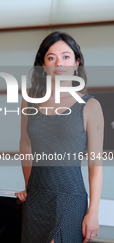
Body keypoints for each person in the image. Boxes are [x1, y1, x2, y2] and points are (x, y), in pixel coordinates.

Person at [15, 32, 103, 243]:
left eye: (66, 56)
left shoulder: (90, 106)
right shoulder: (29, 102)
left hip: (70, 199)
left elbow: (95, 166)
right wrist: (29, 187)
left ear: (76, 63)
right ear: (43, 65)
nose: (59, 63)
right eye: (51, 57)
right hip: (36, 200)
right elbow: (26, 145)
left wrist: (93, 212)